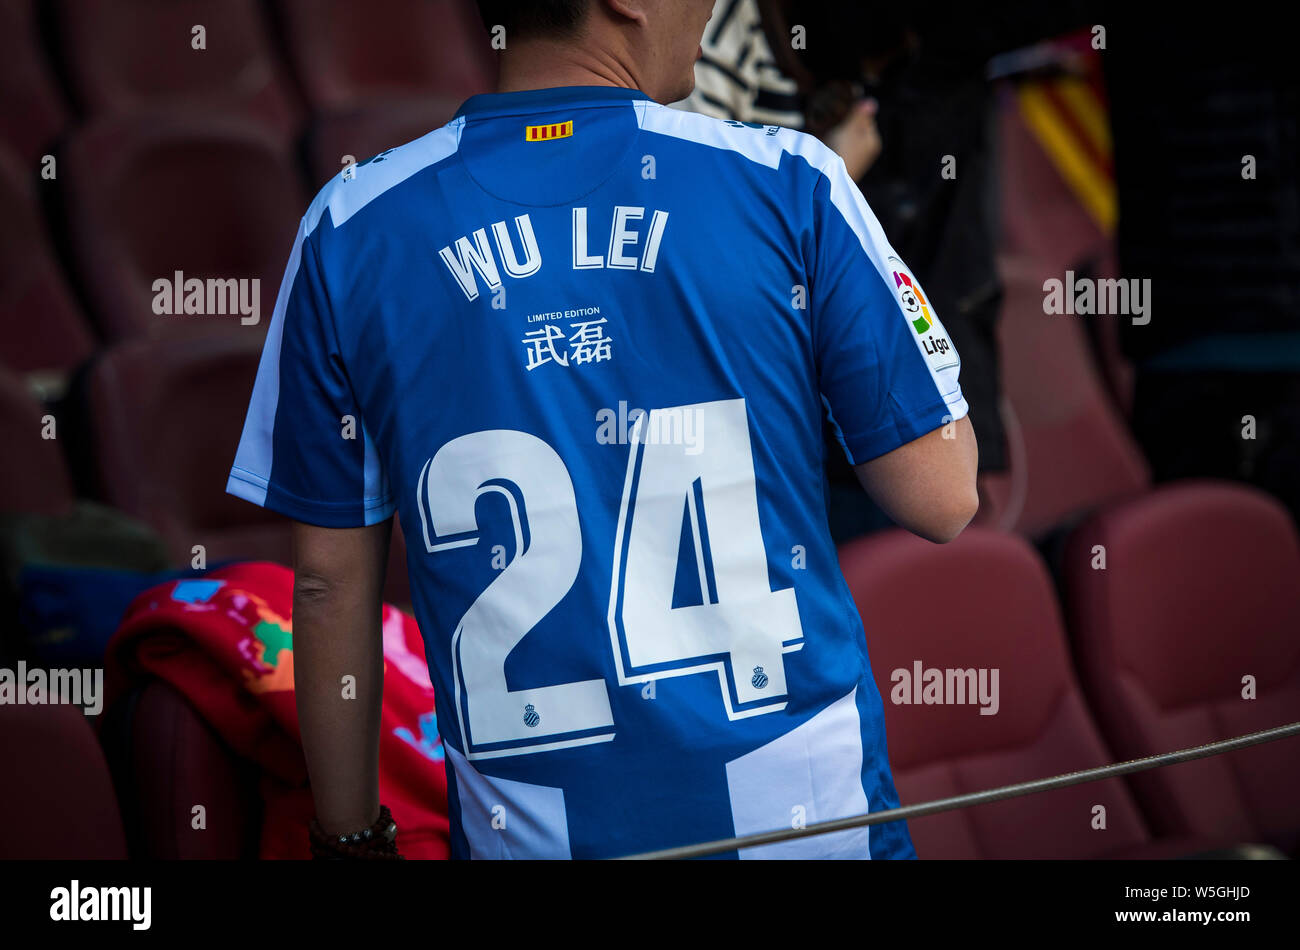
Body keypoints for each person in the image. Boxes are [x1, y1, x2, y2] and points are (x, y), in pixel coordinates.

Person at [227, 0, 977, 860]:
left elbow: (326, 584)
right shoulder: (790, 182)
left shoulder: (351, 227)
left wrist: (351, 837)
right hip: (810, 828)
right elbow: (943, 496)